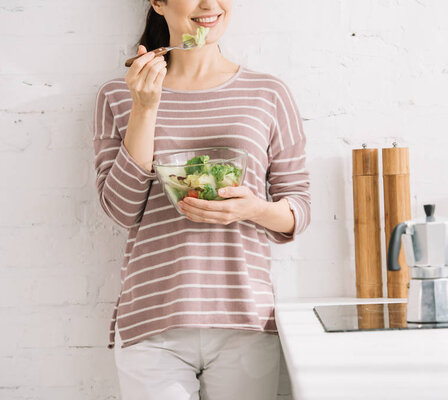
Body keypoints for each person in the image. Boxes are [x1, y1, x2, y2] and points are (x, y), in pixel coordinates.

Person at [92, 0, 311, 398]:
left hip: (243, 317)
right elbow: (121, 210)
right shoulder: (120, 95)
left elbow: (298, 209)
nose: (209, 4)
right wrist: (145, 107)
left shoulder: (268, 92)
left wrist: (253, 208)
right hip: (152, 320)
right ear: (158, 2)